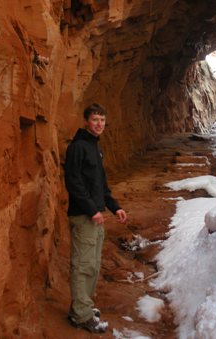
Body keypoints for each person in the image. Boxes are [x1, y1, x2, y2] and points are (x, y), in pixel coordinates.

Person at [64, 103, 127, 333]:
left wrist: (114, 207)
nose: (99, 124)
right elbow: (73, 183)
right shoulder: (78, 147)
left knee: (93, 265)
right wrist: (92, 210)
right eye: (94, 119)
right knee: (82, 266)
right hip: (84, 217)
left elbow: (101, 186)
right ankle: (81, 315)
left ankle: (83, 307)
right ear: (85, 122)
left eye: (102, 120)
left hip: (95, 216)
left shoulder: (95, 148)